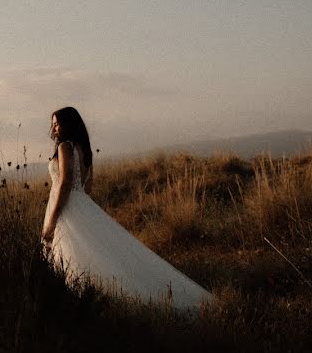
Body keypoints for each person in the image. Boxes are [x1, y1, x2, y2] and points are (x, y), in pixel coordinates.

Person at [41, 106, 213, 312]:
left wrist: (53, 219)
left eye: (57, 123)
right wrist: (83, 208)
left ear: (69, 124)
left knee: (72, 256)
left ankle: (76, 304)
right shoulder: (83, 149)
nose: (54, 128)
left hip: (68, 208)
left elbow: (66, 182)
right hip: (82, 204)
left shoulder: (65, 147)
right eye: (53, 124)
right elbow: (88, 187)